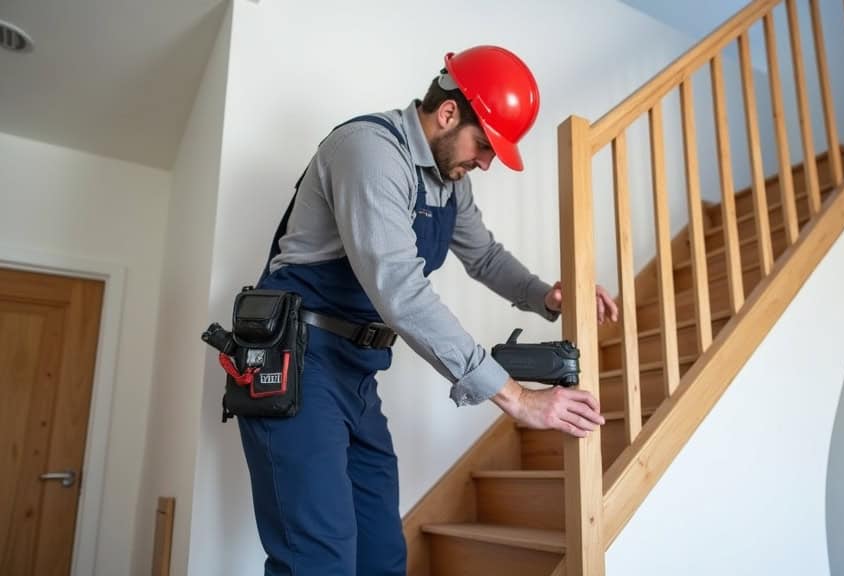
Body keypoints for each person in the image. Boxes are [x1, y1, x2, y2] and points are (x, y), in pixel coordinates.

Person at [238, 45, 618, 576]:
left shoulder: (447, 182)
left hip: (356, 373)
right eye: (484, 145)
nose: (485, 162)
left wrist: (546, 296)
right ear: (447, 114)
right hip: (296, 363)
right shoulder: (369, 151)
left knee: (382, 557)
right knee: (318, 560)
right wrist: (518, 400)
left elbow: (483, 255)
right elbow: (400, 290)